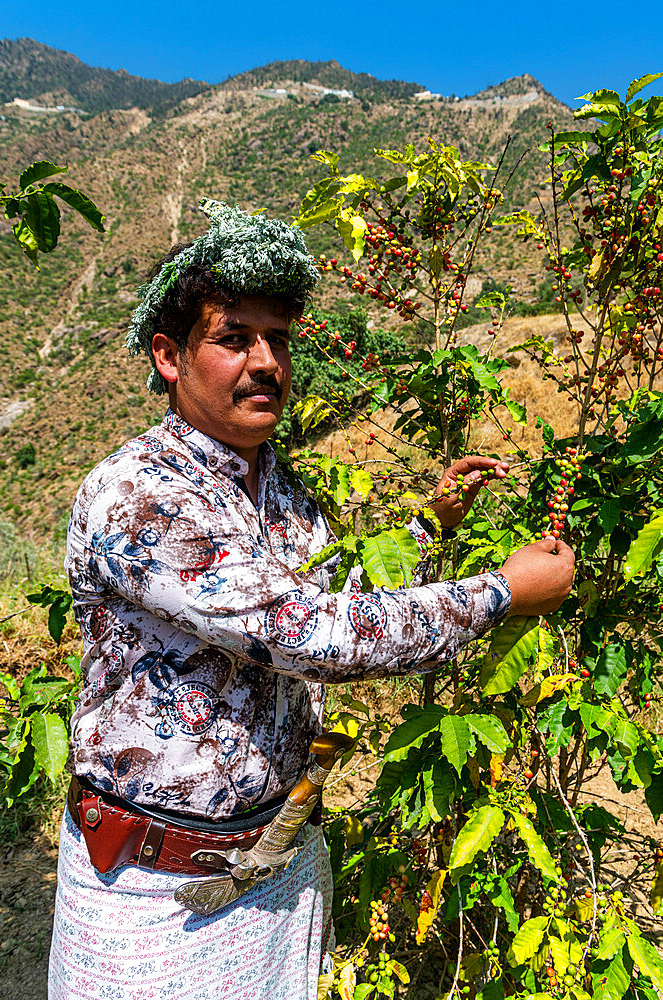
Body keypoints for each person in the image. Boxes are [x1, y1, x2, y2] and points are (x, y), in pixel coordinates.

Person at [48, 200, 575, 1000]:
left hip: (275, 868)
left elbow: (313, 608)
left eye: (279, 340)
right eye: (233, 339)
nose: (266, 362)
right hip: (153, 898)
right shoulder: (140, 494)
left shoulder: (281, 489)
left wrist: (422, 531)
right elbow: (313, 639)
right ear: (168, 356)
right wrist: (500, 592)